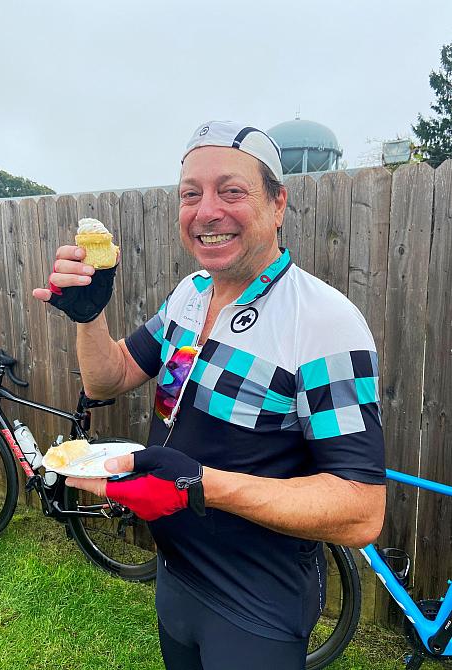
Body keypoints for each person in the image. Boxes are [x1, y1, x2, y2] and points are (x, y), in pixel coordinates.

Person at [33, 120, 386, 670]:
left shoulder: (324, 322)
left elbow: (360, 510)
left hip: (255, 605)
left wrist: (200, 486)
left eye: (232, 191)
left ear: (277, 204)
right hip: (176, 578)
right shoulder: (190, 296)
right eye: (190, 195)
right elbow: (109, 378)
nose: (206, 211)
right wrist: (90, 316)